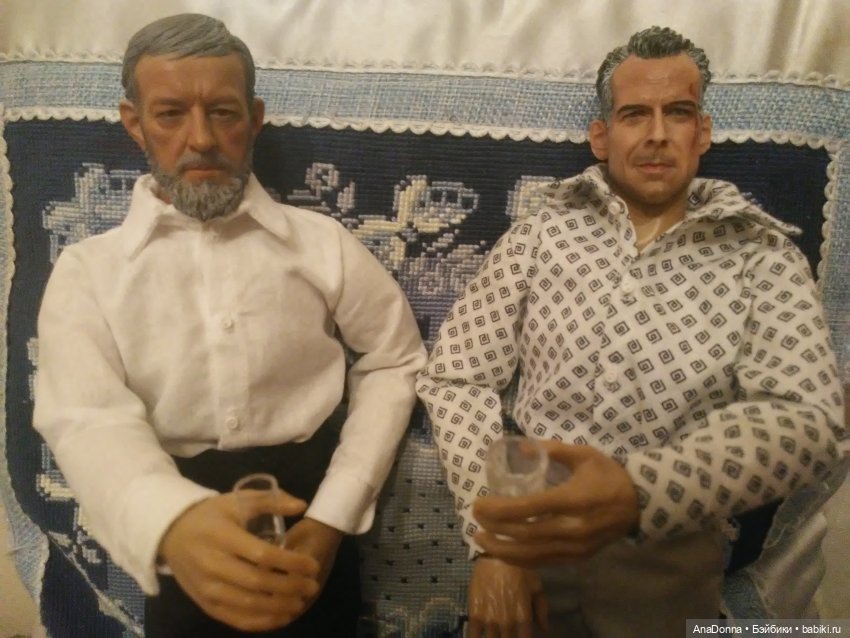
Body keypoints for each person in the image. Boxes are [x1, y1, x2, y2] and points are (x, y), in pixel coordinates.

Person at [416, 25, 846, 637]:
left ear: (703, 132)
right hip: (535, 534)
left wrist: (641, 490)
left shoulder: (762, 256)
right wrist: (495, 541)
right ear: (602, 136)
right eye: (634, 114)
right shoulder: (541, 236)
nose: (657, 133)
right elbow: (457, 376)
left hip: (670, 551)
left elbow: (809, 418)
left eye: (679, 113)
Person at [33, 13, 426, 637]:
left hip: (313, 515)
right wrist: (170, 521)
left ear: (254, 118)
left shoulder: (321, 245)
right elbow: (85, 416)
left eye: (223, 112)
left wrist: (334, 513)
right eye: (170, 114)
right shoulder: (89, 272)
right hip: (179, 522)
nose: (201, 138)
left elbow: (394, 358)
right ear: (134, 123)